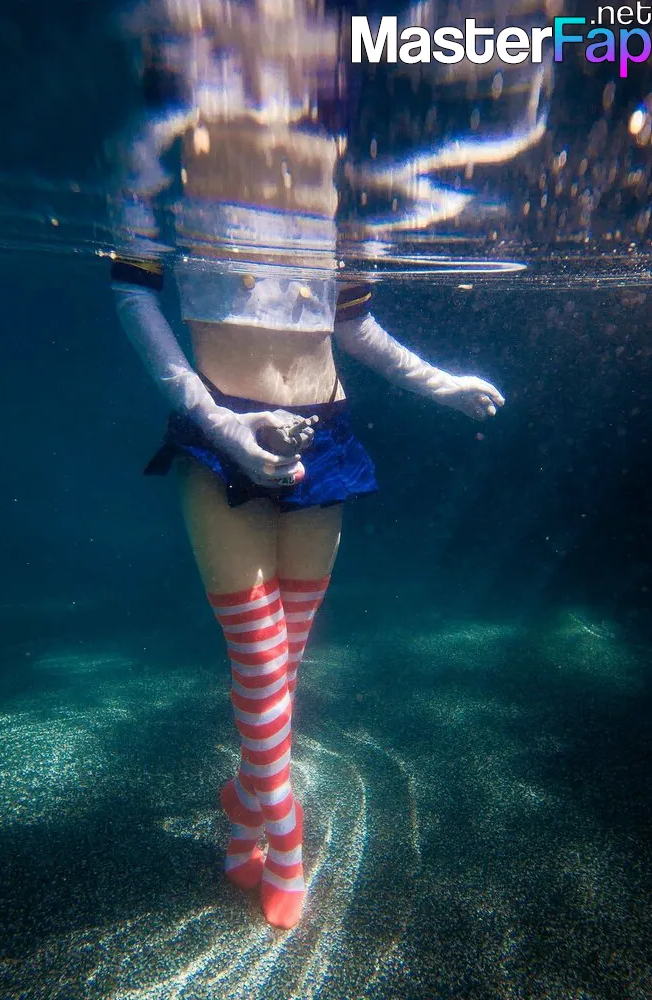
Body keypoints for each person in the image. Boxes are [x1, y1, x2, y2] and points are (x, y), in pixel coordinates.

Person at [112, 0, 508, 930]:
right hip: (218, 437)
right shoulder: (165, 140)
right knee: (259, 668)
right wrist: (212, 418)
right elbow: (130, 296)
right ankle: (279, 825)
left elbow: (350, 319)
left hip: (323, 438)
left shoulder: (334, 161)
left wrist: (438, 383)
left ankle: (247, 795)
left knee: (283, 671)